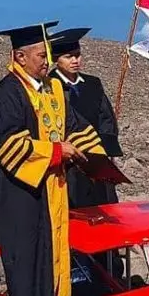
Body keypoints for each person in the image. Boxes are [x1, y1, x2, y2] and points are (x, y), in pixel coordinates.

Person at [0, 21, 108, 296]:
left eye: (48, 54)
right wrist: (57, 153)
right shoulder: (5, 95)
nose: (47, 60)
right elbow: (9, 147)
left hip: (52, 191)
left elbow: (73, 127)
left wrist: (97, 159)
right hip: (20, 197)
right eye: (41, 55)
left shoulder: (50, 88)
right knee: (27, 264)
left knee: (53, 262)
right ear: (19, 56)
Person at [48, 27, 123, 208]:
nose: (75, 60)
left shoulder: (93, 84)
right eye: (68, 56)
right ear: (56, 59)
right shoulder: (49, 87)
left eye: (78, 54)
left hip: (97, 159)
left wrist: (103, 150)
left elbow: (106, 119)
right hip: (70, 163)